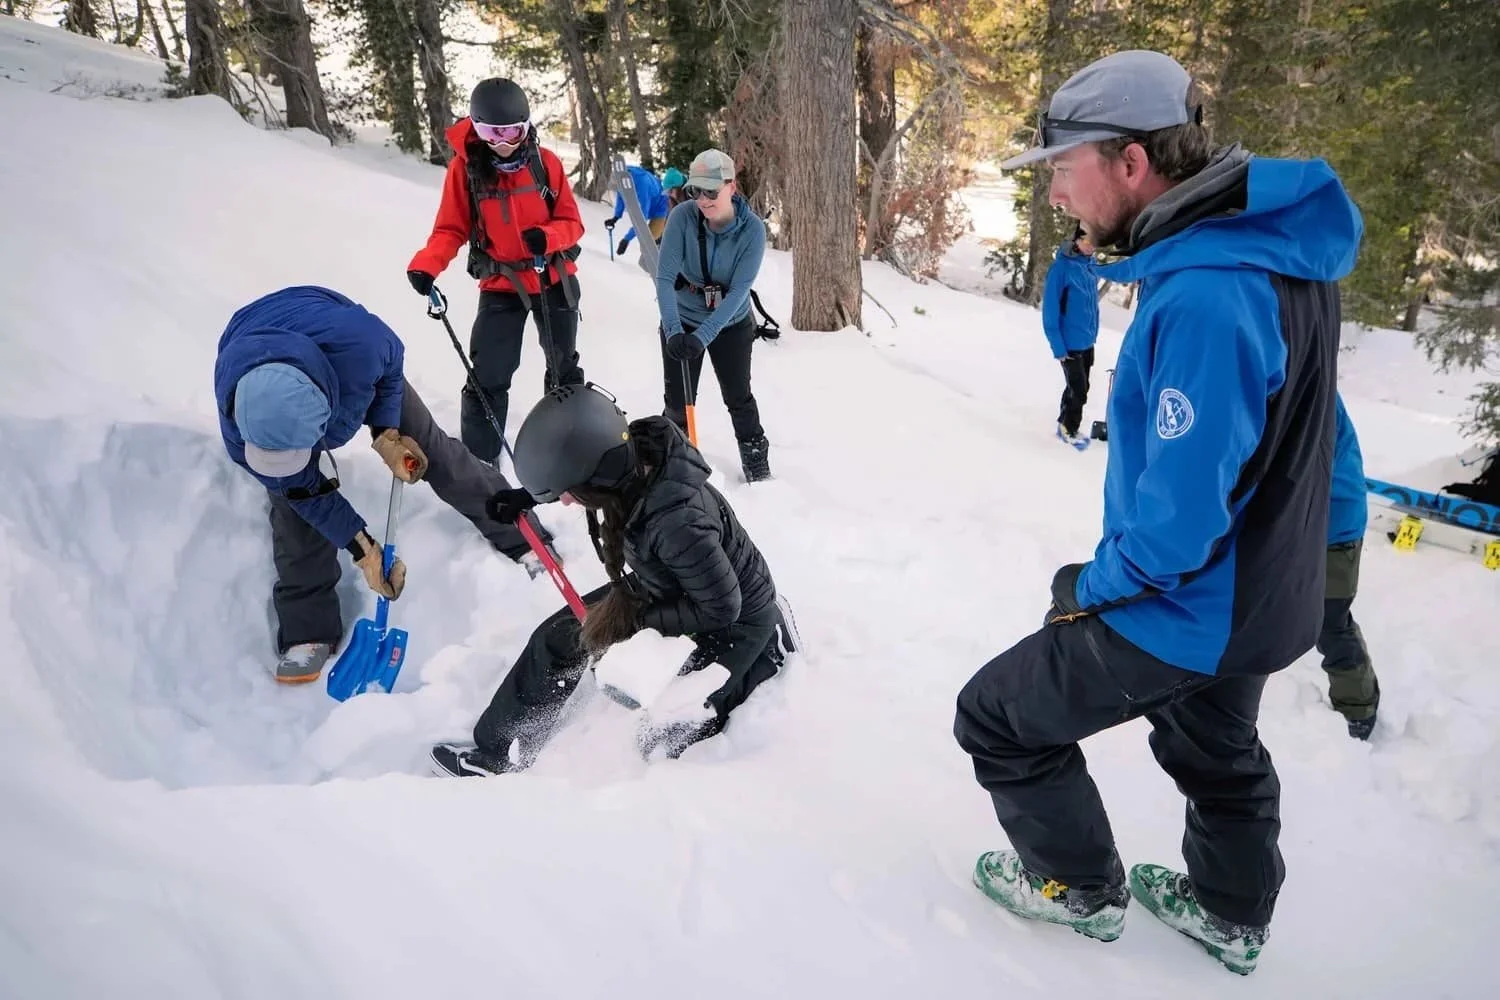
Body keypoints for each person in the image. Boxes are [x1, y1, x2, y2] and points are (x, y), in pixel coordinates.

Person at [952, 50, 1362, 975]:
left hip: (1193, 603)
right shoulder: (1273, 252)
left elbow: (1178, 527)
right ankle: (1230, 911)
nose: (1056, 193)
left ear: (1131, 164)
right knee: (1213, 744)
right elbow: (1316, 430)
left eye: (1064, 167)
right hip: (1262, 595)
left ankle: (1075, 887)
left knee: (997, 717)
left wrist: (1090, 588)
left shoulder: (1211, 294)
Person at [429, 384, 799, 777]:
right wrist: (532, 496)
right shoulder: (631, 457)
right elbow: (580, 458)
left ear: (598, 479)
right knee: (556, 639)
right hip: (672, 585)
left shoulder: (679, 522)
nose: (567, 501)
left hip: (734, 619)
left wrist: (638, 623)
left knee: (667, 734)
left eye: (568, 493)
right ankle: (498, 755)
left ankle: (766, 652)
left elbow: (722, 607)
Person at [214, 285, 552, 683]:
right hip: (258, 339)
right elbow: (301, 489)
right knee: (292, 508)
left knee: (431, 450)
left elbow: (391, 362)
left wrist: (387, 432)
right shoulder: (241, 415)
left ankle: (518, 530)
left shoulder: (360, 349)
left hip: (334, 343)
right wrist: (364, 549)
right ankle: (309, 628)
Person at [406, 78, 585, 464]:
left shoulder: (546, 164)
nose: (503, 142)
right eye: (491, 132)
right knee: (487, 374)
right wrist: (426, 265)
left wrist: (548, 237)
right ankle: (481, 464)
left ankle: (570, 450)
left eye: (512, 132)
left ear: (526, 126)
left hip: (552, 278)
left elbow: (573, 223)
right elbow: (450, 228)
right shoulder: (465, 170)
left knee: (563, 367)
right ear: (475, 127)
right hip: (501, 282)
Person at [655, 148, 772, 482]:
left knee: (738, 397)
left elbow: (738, 293)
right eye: (696, 191)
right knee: (678, 400)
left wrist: (702, 337)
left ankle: (756, 462)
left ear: (732, 186)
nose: (703, 200)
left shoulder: (752, 231)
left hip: (730, 322)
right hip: (683, 315)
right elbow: (664, 278)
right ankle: (676, 464)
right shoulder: (682, 218)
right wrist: (675, 330)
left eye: (711, 191)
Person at [1320, 395, 1380, 740]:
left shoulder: (1313, 392)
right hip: (1302, 525)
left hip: (1334, 528)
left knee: (1330, 621)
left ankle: (1358, 705)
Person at [1041, 228, 1100, 448]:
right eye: (1087, 241)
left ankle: (1064, 423)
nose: (1091, 246)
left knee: (1078, 387)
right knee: (1079, 390)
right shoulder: (1061, 268)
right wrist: (1058, 346)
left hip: (1087, 340)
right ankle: (1068, 428)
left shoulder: (1090, 265)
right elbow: (1050, 311)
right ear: (1076, 240)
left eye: (1094, 243)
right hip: (1070, 343)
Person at [605, 163, 669, 257]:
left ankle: (663, 246)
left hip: (660, 208)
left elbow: (642, 218)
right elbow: (621, 196)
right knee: (646, 247)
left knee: (649, 242)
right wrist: (616, 217)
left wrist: (626, 239)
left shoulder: (642, 185)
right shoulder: (623, 177)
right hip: (650, 204)